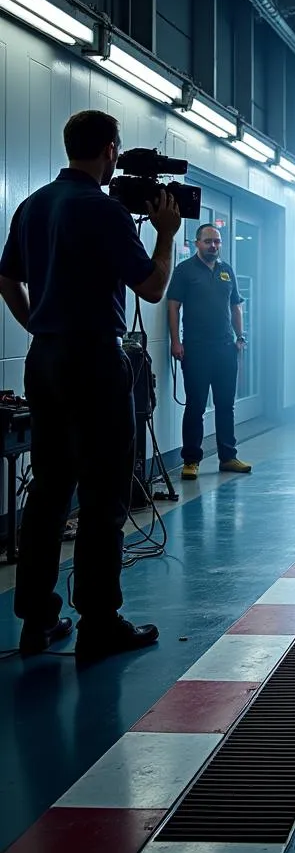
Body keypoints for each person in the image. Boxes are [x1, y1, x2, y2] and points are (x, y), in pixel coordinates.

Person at [0, 110, 180, 658]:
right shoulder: (103, 211)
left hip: (45, 359)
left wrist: (38, 324)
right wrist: (167, 236)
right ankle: (100, 623)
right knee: (103, 493)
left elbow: (7, 277)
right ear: (108, 149)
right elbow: (151, 288)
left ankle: (36, 620)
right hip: (95, 361)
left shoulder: (33, 205)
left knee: (50, 489)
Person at [168, 223, 252, 480]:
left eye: (217, 241)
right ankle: (191, 461)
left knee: (225, 405)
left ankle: (228, 456)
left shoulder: (227, 270)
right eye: (208, 241)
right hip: (196, 348)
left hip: (225, 347)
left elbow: (236, 305)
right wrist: (175, 342)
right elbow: (173, 306)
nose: (213, 246)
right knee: (195, 406)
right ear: (197, 243)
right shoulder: (184, 270)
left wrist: (240, 337)